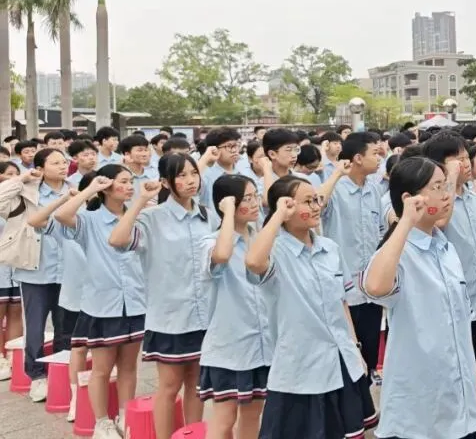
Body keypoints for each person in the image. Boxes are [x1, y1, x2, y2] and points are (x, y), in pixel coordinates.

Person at [245, 176, 378, 439]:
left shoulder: (329, 248)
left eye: (316, 199)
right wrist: (277, 214)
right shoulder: (277, 252)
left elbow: (341, 303)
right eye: (307, 201)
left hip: (341, 359)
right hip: (302, 366)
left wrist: (355, 347)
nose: (316, 206)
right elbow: (253, 262)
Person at [362, 156, 476, 439]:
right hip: (420, 408)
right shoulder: (399, 253)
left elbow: (459, 325)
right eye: (438, 187)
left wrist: (474, 378)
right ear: (409, 198)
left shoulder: (446, 249)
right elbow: (376, 286)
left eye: (446, 186)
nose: (446, 195)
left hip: (461, 400)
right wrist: (406, 221)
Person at [109, 153, 212, 438]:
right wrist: (141, 201)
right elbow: (117, 240)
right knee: (169, 387)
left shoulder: (206, 214)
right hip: (171, 318)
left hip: (205, 315)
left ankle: (192, 434)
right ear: (166, 181)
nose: (191, 180)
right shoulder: (152, 218)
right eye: (181, 176)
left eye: (193, 173)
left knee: (197, 385)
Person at [53, 166, 146, 439]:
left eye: (131, 182)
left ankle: (126, 415)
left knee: (129, 367)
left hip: (136, 302)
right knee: (102, 370)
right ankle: (101, 421)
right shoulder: (91, 220)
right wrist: (91, 188)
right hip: (103, 304)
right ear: (107, 187)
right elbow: (61, 215)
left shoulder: (137, 218)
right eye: (123, 182)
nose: (129, 187)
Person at [419, 131, 476, 387]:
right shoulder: (434, 203)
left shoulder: (474, 199)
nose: (466, 164)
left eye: (467, 158)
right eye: (458, 159)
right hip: (452, 306)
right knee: (457, 377)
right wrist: (450, 180)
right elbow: (440, 223)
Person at [199, 174, 272, 439]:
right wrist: (228, 213)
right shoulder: (212, 241)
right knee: (224, 418)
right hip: (230, 348)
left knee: (253, 413)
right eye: (246, 199)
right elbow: (221, 256)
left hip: (262, 344)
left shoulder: (259, 237)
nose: (254, 203)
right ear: (226, 204)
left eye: (255, 196)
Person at [2, 147, 74, 403]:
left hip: (70, 270)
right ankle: (36, 375)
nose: (63, 166)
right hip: (35, 270)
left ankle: (62, 372)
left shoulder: (75, 189)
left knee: (66, 327)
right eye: (55, 163)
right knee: (35, 327)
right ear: (41, 168)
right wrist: (20, 178)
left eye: (64, 162)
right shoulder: (28, 191)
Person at [319, 131, 387, 385]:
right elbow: (318, 202)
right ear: (357, 158)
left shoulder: (372, 190)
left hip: (369, 284)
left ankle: (366, 390)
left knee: (370, 342)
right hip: (343, 285)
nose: (380, 157)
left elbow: (380, 230)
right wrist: (336, 173)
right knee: (346, 344)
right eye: (374, 153)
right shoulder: (336, 188)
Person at [0, 161, 23, 382]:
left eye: (17, 174)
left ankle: (13, 354)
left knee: (16, 311)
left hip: (16, 265)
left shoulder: (23, 200)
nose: (15, 178)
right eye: (9, 174)